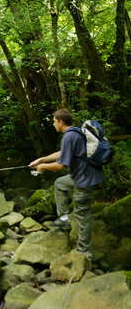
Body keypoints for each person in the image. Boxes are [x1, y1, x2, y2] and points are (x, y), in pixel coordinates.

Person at [29, 109, 104, 259]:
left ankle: (84, 252)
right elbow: (61, 153)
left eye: (54, 121)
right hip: (83, 176)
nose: (53, 123)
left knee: (82, 214)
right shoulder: (75, 133)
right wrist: (42, 160)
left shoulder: (69, 136)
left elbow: (61, 165)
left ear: (60, 121)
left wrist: (43, 168)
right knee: (60, 183)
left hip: (84, 180)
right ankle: (64, 219)